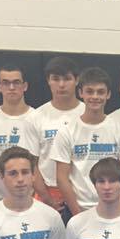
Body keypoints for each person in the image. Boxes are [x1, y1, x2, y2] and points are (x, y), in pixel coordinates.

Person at [52, 67, 120, 216]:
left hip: (112, 209)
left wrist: (117, 204)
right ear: (81, 93)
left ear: (108, 94)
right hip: (78, 209)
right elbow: (62, 178)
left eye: (100, 92)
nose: (95, 96)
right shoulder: (67, 131)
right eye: (90, 91)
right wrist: (77, 214)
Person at [0, 64, 45, 211]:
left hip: (31, 200)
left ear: (25, 86)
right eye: (6, 83)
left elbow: (42, 162)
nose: (11, 87)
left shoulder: (40, 119)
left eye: (16, 82)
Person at [33, 56, 83, 215]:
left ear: (77, 80)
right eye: (56, 79)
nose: (61, 85)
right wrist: (47, 198)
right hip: (48, 192)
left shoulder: (88, 113)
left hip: (82, 192)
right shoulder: (36, 116)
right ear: (48, 81)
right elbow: (31, 163)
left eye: (67, 79)